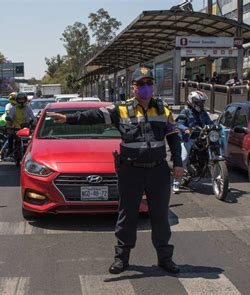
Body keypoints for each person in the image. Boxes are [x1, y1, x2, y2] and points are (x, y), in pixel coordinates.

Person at [47, 67, 183, 275]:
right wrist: (69, 119)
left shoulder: (163, 109)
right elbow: (94, 116)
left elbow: (173, 137)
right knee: (127, 214)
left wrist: (178, 163)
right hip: (130, 171)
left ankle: (165, 259)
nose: (146, 88)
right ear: (133, 88)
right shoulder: (121, 109)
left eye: (149, 83)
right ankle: (122, 259)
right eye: (141, 84)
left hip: (158, 171)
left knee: (160, 216)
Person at [172, 90, 214, 193]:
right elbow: (179, 124)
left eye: (203, 102)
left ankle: (218, 182)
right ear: (193, 102)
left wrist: (214, 125)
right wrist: (185, 129)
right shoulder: (185, 112)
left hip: (200, 140)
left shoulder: (203, 113)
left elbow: (210, 122)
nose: (202, 104)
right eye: (200, 102)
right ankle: (176, 183)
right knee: (183, 159)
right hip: (187, 140)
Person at [0, 92, 17, 162]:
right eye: (13, 98)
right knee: (10, 139)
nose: (14, 99)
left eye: (15, 98)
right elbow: (8, 114)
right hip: (9, 124)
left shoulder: (18, 105)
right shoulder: (8, 105)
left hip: (17, 124)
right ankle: (0, 153)